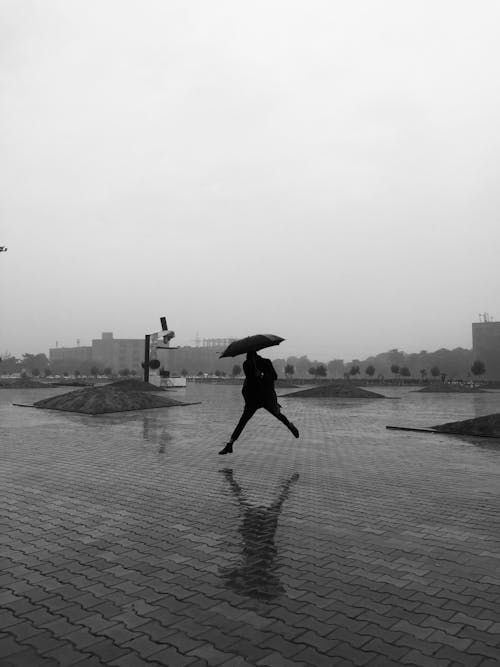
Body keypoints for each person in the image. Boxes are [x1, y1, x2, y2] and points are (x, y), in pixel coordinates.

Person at [219, 350, 299, 454]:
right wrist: (255, 372)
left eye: (248, 356)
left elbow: (274, 376)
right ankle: (230, 444)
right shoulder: (246, 364)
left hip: (265, 396)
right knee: (242, 421)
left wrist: (262, 375)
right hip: (253, 399)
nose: (247, 359)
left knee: (278, 415)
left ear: (254, 356)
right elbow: (250, 378)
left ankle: (290, 425)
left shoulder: (266, 362)